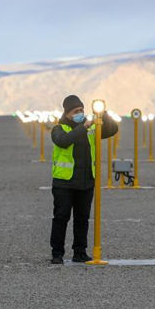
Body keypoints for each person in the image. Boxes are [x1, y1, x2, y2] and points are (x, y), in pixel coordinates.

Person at [49, 95, 118, 264]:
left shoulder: (92, 128)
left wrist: (103, 114)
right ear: (67, 113)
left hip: (86, 181)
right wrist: (83, 126)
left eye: (82, 110)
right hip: (64, 182)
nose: (80, 113)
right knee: (61, 217)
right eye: (76, 111)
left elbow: (111, 130)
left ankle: (80, 252)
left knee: (82, 218)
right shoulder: (59, 129)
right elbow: (64, 142)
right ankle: (57, 253)